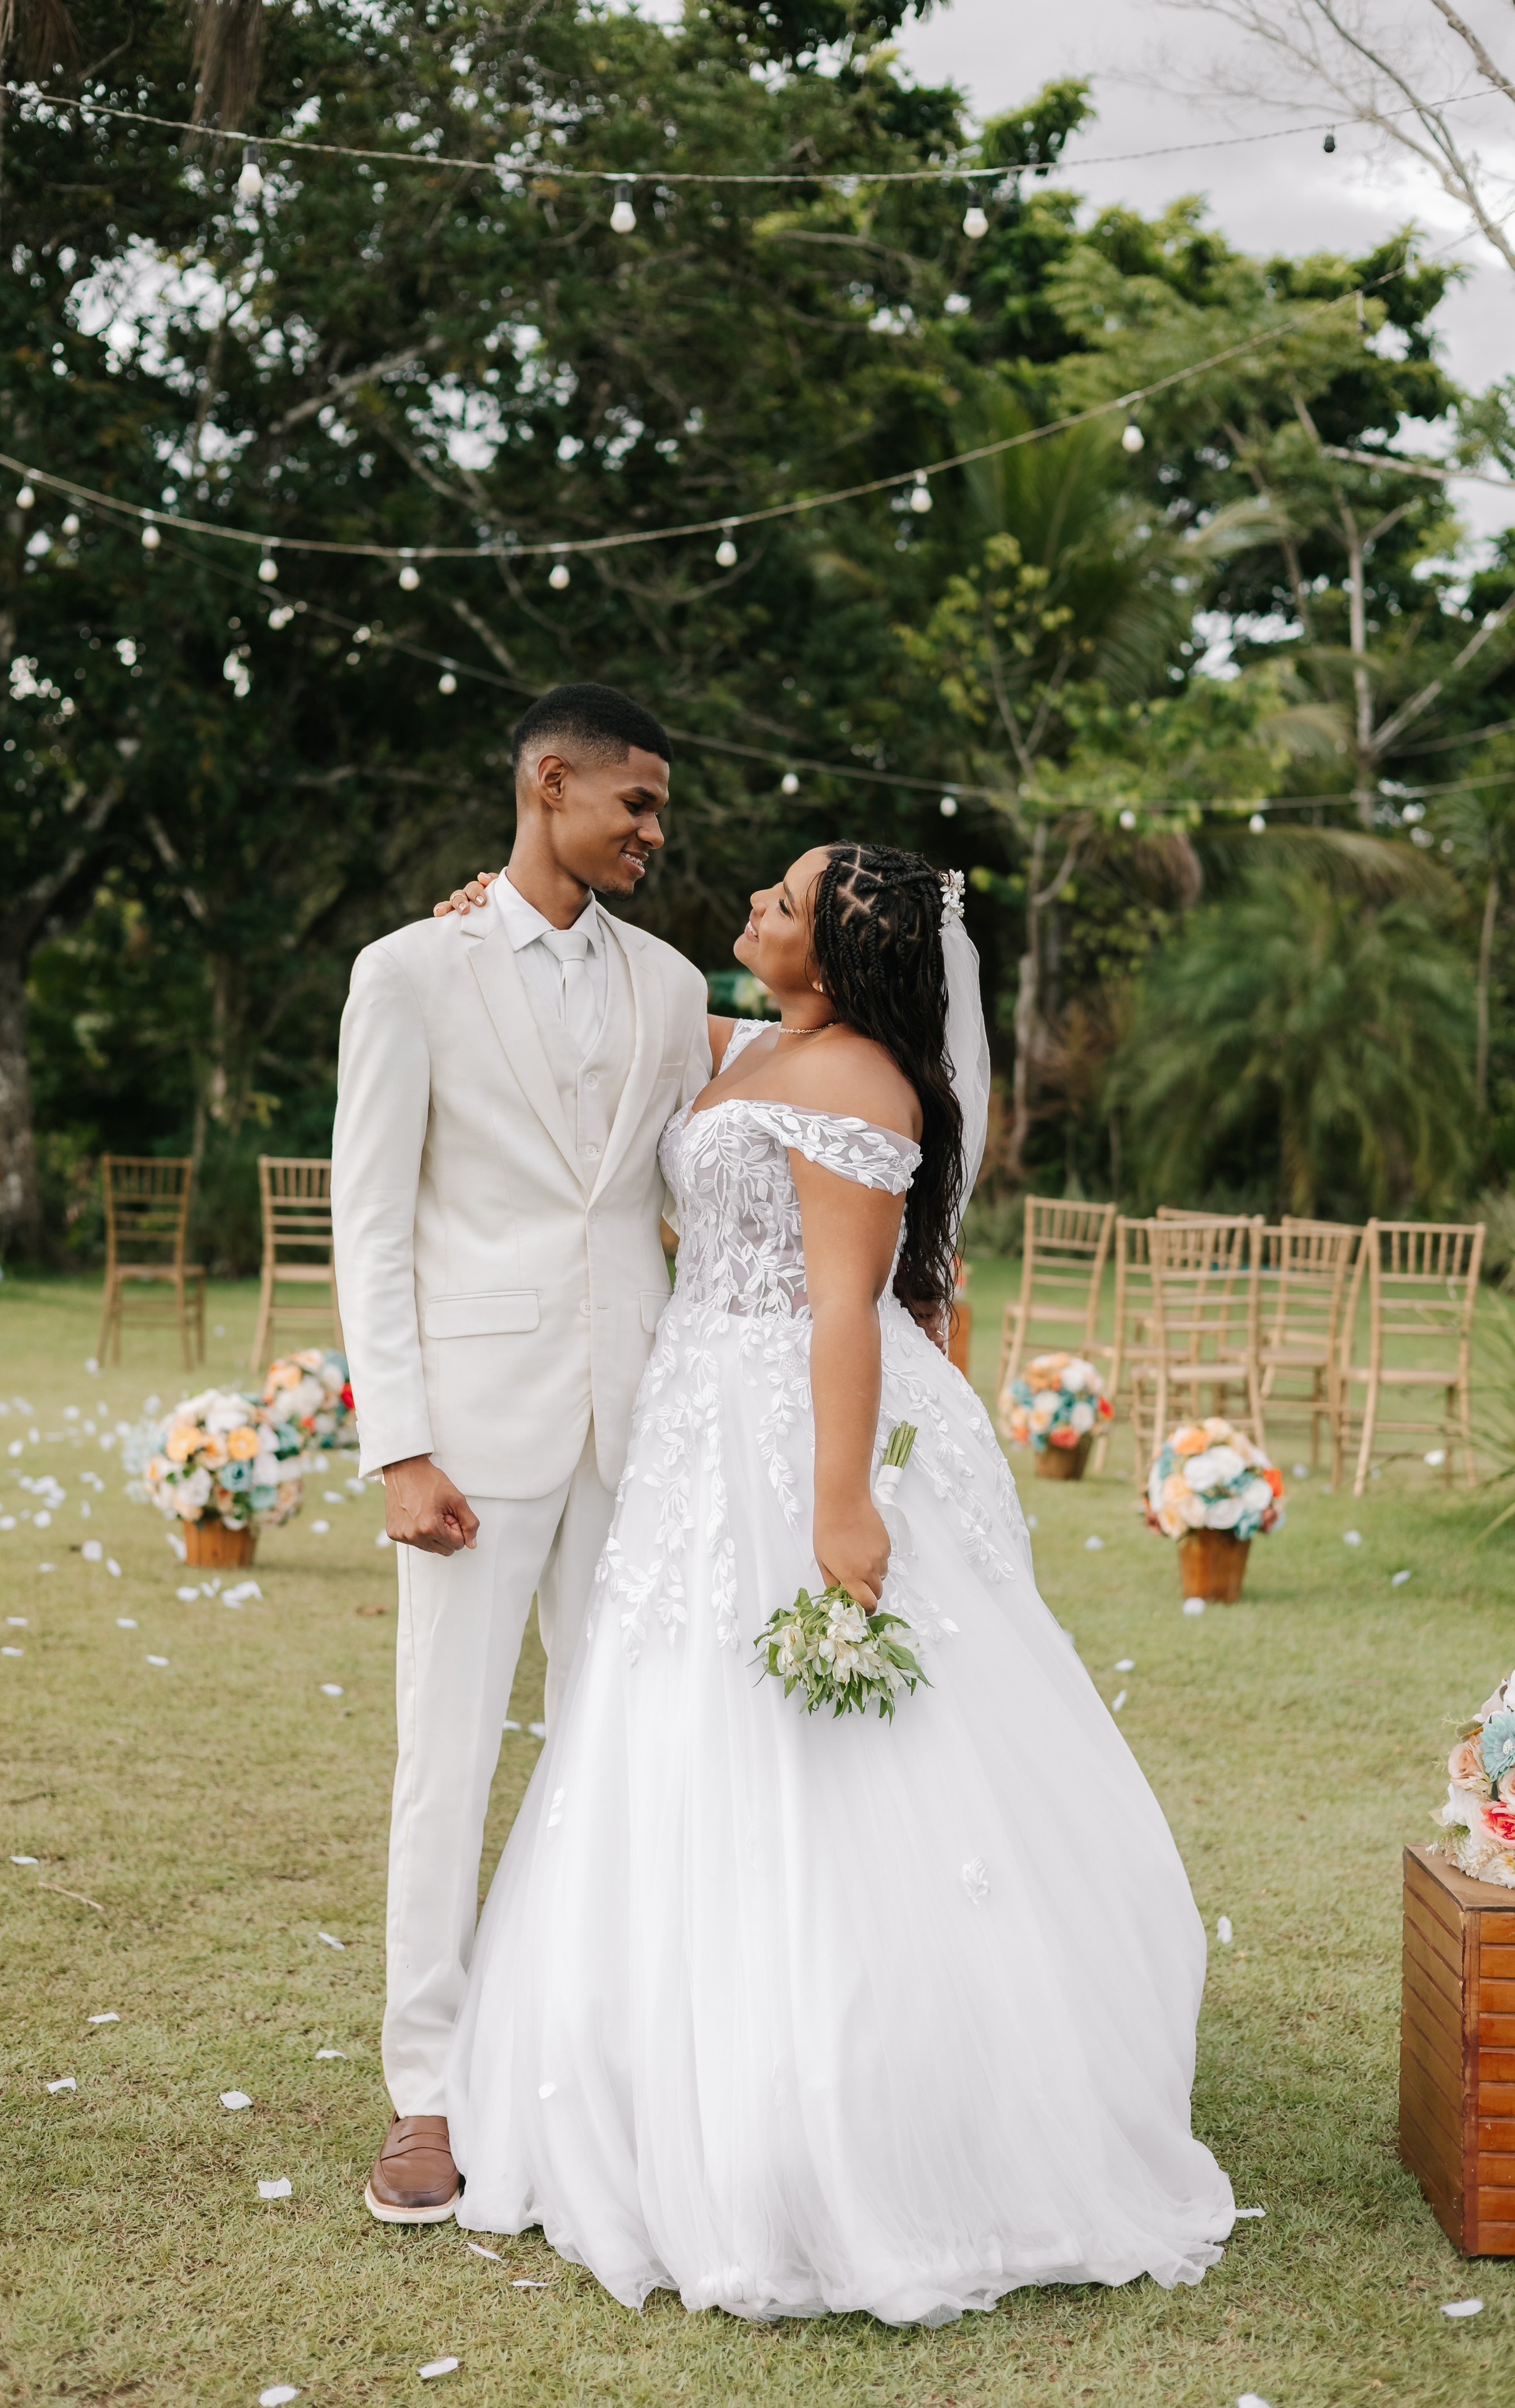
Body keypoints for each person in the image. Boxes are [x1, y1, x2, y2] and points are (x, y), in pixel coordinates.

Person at [435, 841, 1237, 2325]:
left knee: (826, 1747)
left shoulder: (861, 1085)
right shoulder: (754, 1044)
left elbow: (848, 1315)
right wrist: (488, 915)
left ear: (840, 956)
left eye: (783, 903)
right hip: (695, 1422)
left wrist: (839, 1506)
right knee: (664, 1721)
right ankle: (650, 2068)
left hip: (799, 1429)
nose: (751, 905)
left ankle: (862, 2110)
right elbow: (607, 1009)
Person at [330, 683, 712, 2226]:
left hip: (639, 1419)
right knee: (449, 1752)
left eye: (662, 813)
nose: (653, 835)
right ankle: (428, 2086)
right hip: (473, 1439)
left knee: (625, 1747)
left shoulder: (679, 985)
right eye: (635, 805)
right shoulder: (408, 970)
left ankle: (596, 2052)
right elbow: (372, 1216)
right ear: (548, 782)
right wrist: (397, 1444)